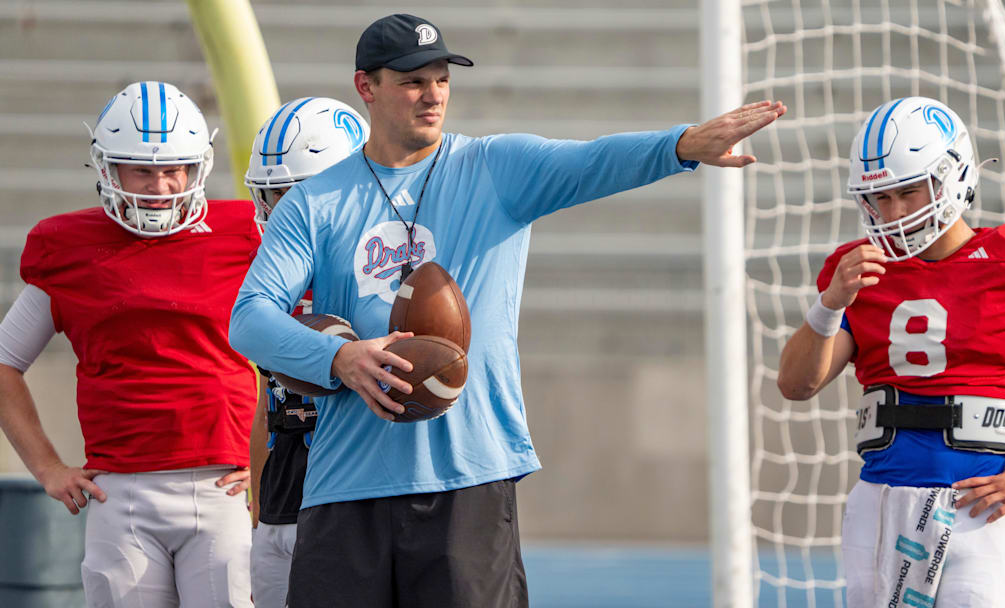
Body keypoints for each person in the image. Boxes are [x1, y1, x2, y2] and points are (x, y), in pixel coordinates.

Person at [229, 13, 785, 608]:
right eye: (413, 81)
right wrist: (337, 356)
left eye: (441, 79)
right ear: (366, 87)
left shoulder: (494, 168)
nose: (432, 94)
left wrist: (679, 146)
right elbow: (250, 317)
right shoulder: (314, 202)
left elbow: (593, 161)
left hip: (469, 477)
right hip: (345, 484)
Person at [777, 96, 1005, 606]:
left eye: (909, 193)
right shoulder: (858, 273)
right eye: (881, 199)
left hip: (975, 510)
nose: (892, 213)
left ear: (951, 177)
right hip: (877, 506)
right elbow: (796, 385)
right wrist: (830, 304)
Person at [0, 81, 259, 607]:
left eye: (173, 169)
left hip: (222, 486)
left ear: (197, 167)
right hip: (122, 489)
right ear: (107, 168)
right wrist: (47, 466)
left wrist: (271, 453)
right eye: (142, 169)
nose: (161, 186)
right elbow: (4, 360)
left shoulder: (245, 232)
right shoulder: (67, 246)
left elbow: (312, 344)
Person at [243, 96, 369, 608]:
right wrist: (256, 502)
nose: (277, 213)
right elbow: (266, 403)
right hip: (281, 496)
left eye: (293, 195)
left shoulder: (380, 276)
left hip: (351, 500)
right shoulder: (272, 285)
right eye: (270, 196)